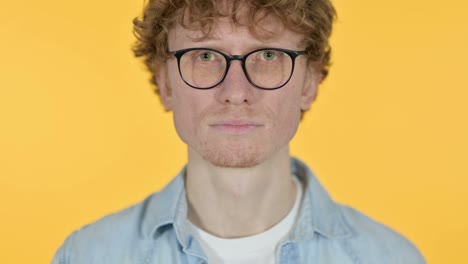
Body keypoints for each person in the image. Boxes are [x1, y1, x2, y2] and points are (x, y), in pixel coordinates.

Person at [52, 0, 426, 263]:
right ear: (165, 81)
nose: (235, 93)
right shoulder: (84, 256)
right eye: (204, 56)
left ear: (309, 82)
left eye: (267, 56)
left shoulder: (391, 258)